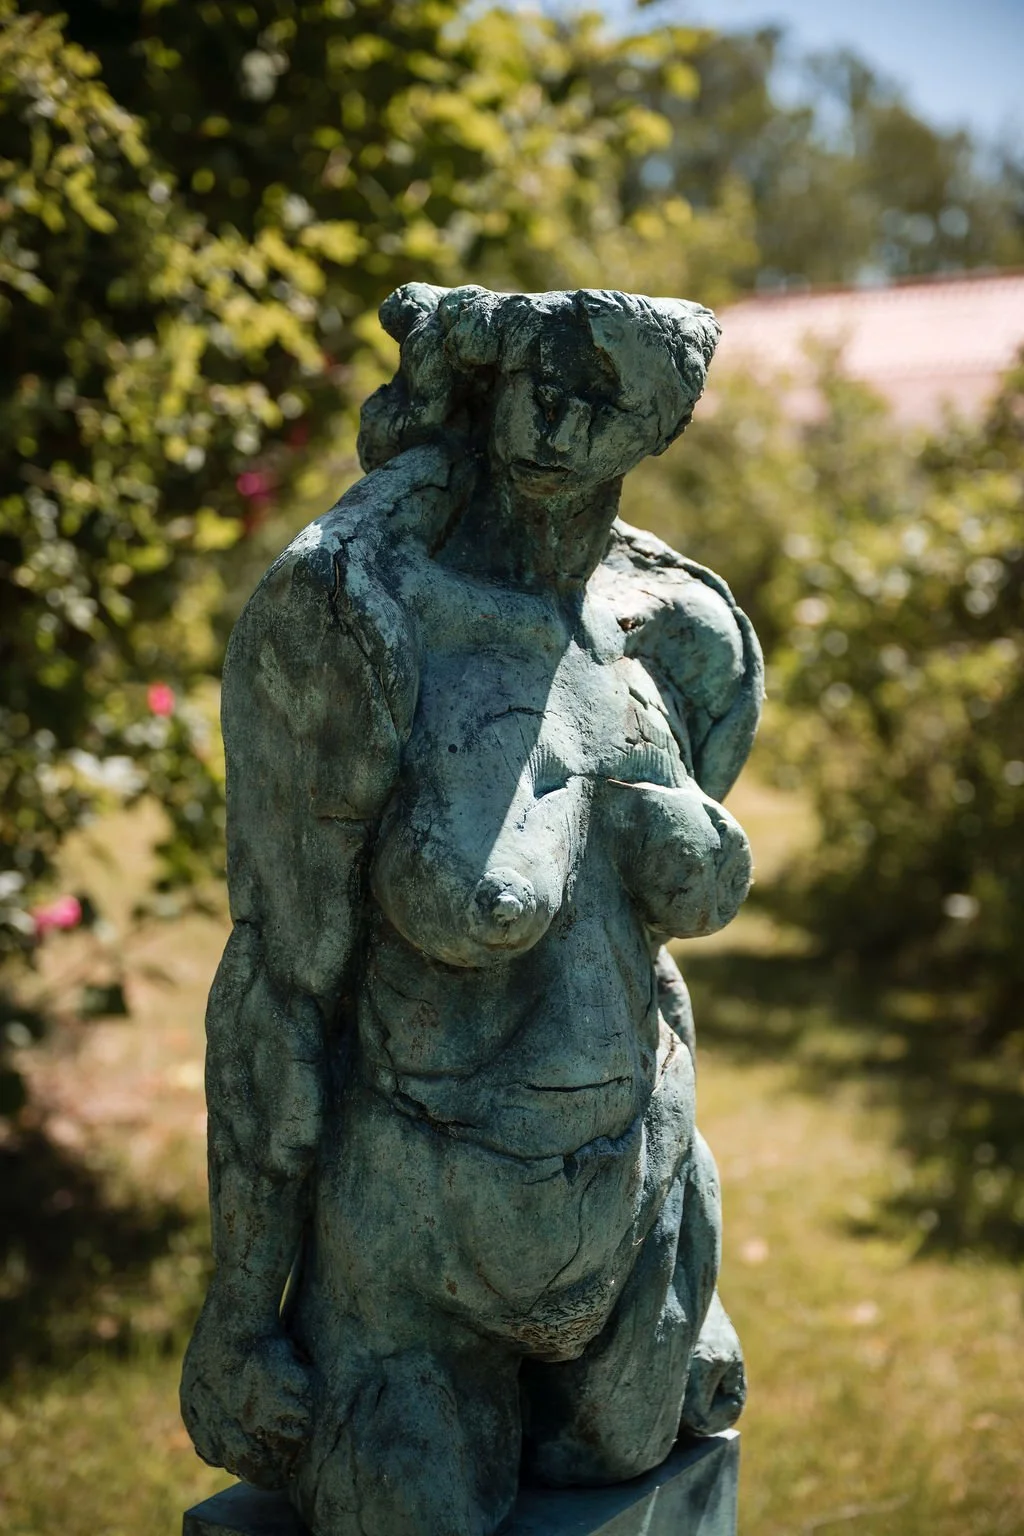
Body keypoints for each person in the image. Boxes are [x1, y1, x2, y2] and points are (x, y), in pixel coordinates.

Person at [181, 284, 763, 1536]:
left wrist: (688, 1270)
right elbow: (279, 978)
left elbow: (640, 966)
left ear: (654, 429)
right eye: (535, 382)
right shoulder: (363, 624)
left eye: (600, 396)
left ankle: (667, 1284)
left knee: (625, 1461)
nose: (555, 420)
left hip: (631, 1207)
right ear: (490, 383)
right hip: (418, 1236)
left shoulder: (675, 639)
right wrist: (238, 1310)